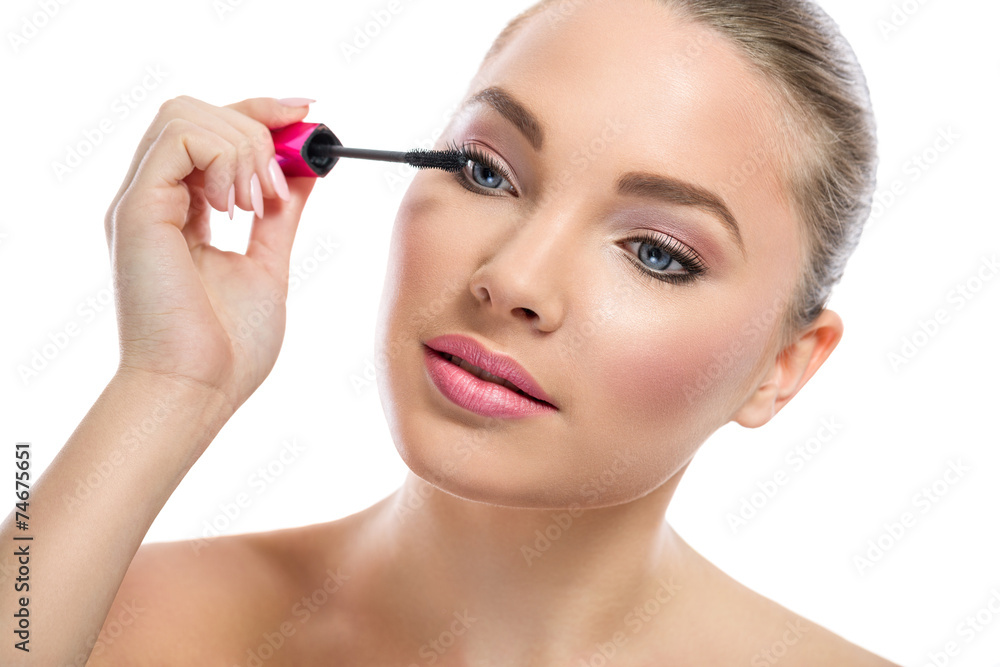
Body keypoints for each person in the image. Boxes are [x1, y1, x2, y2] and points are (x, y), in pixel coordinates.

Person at [0, 0, 902, 664]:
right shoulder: (104, 618)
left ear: (783, 369)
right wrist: (165, 388)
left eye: (657, 253)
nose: (512, 279)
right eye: (485, 170)